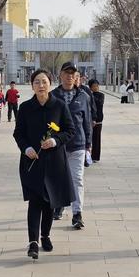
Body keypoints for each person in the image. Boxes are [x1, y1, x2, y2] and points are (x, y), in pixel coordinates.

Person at [13, 69, 76, 259]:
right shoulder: (25, 108)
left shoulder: (59, 106)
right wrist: (26, 148)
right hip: (32, 162)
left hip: (54, 162)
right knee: (34, 201)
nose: (41, 85)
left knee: (49, 201)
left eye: (44, 82)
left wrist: (56, 140)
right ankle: (33, 242)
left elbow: (70, 130)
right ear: (32, 85)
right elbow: (19, 133)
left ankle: (45, 235)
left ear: (50, 83)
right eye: (37, 82)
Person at [51, 62, 92, 229]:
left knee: (77, 179)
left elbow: (87, 121)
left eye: (72, 73)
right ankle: (59, 206)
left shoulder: (83, 96)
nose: (69, 76)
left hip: (77, 145)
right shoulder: (52, 96)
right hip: (57, 145)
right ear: (60, 75)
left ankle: (77, 213)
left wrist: (88, 144)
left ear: (76, 76)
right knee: (59, 178)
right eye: (66, 73)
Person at [88, 79, 104, 162]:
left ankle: (95, 156)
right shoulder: (88, 95)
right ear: (90, 87)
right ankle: (88, 155)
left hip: (98, 119)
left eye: (97, 86)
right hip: (89, 120)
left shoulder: (101, 95)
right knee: (89, 139)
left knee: (96, 138)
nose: (96, 88)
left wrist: (91, 96)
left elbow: (99, 103)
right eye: (94, 86)